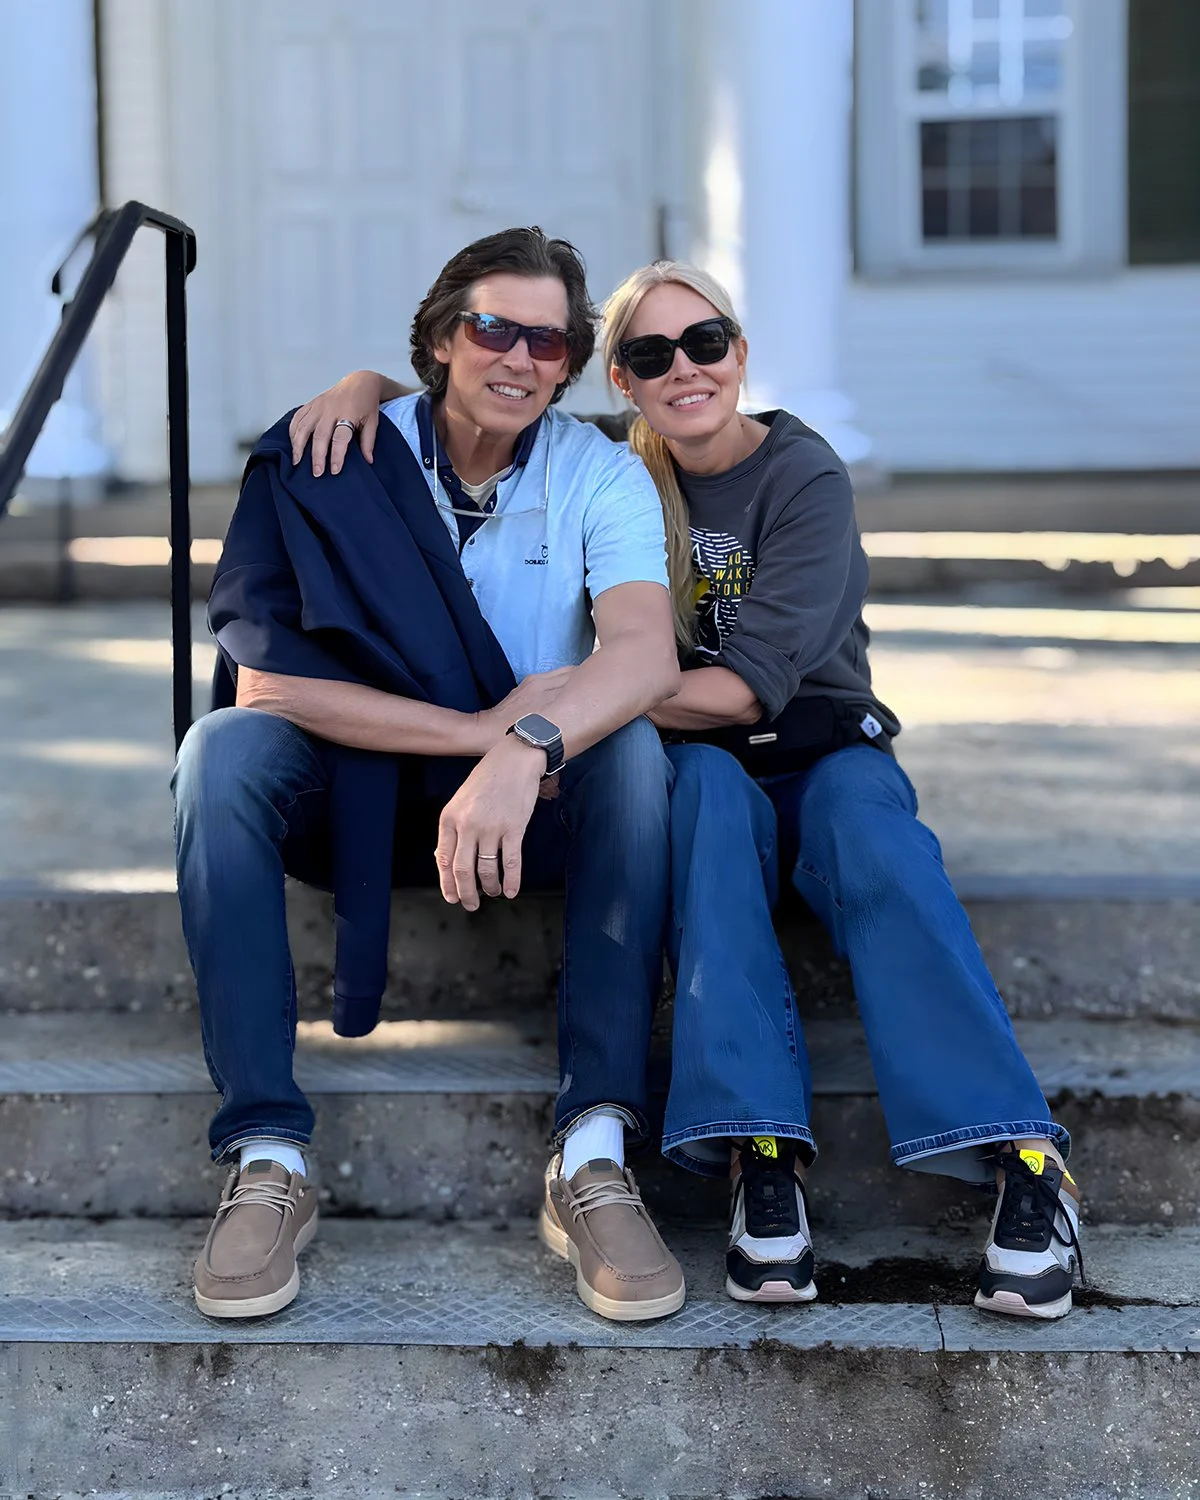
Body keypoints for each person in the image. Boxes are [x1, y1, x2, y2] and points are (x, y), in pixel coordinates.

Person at [293, 260, 1083, 1323]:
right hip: (700, 763)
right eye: (652, 355)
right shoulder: (620, 473)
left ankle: (1023, 1157)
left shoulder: (804, 475)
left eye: (705, 343)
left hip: (817, 747)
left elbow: (748, 685)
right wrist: (357, 388)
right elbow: (471, 398)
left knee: (876, 842)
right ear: (621, 379)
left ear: (740, 354)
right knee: (704, 812)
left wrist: (577, 703)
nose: (686, 369)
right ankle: (761, 1155)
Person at [174, 228, 687, 1321]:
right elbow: (266, 687)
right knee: (219, 751)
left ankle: (594, 1148)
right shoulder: (336, 452)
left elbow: (644, 656)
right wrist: (480, 738)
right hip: (348, 800)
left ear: (572, 358)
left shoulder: (597, 472)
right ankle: (268, 1152)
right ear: (442, 337)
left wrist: (528, 749)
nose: (519, 357)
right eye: (492, 327)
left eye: (548, 339)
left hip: (525, 811)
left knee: (635, 752)